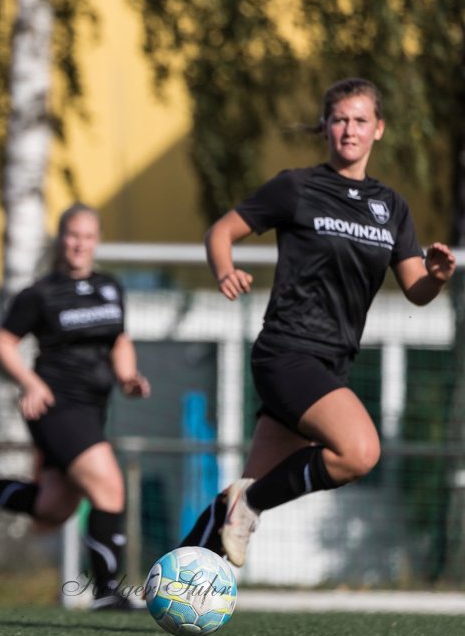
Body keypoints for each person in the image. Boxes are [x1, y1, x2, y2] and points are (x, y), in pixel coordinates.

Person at [178, 77, 455, 566]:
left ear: (379, 129)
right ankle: (252, 504)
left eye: (360, 120)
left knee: (234, 510)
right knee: (359, 452)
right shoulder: (297, 187)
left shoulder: (391, 208)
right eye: (340, 119)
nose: (349, 129)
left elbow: (417, 290)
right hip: (287, 350)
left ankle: (176, 582)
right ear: (326, 126)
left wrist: (436, 276)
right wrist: (225, 270)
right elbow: (221, 231)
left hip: (333, 363)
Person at [0, 203, 150, 610]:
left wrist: (128, 378)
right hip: (56, 407)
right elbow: (3, 342)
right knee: (110, 486)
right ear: (61, 239)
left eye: (87, 237)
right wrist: (30, 382)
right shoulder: (39, 294)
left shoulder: (111, 287)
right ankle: (107, 592)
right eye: (72, 236)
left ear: (97, 241)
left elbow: (119, 340)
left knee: (54, 507)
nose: (79, 245)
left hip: (92, 409)